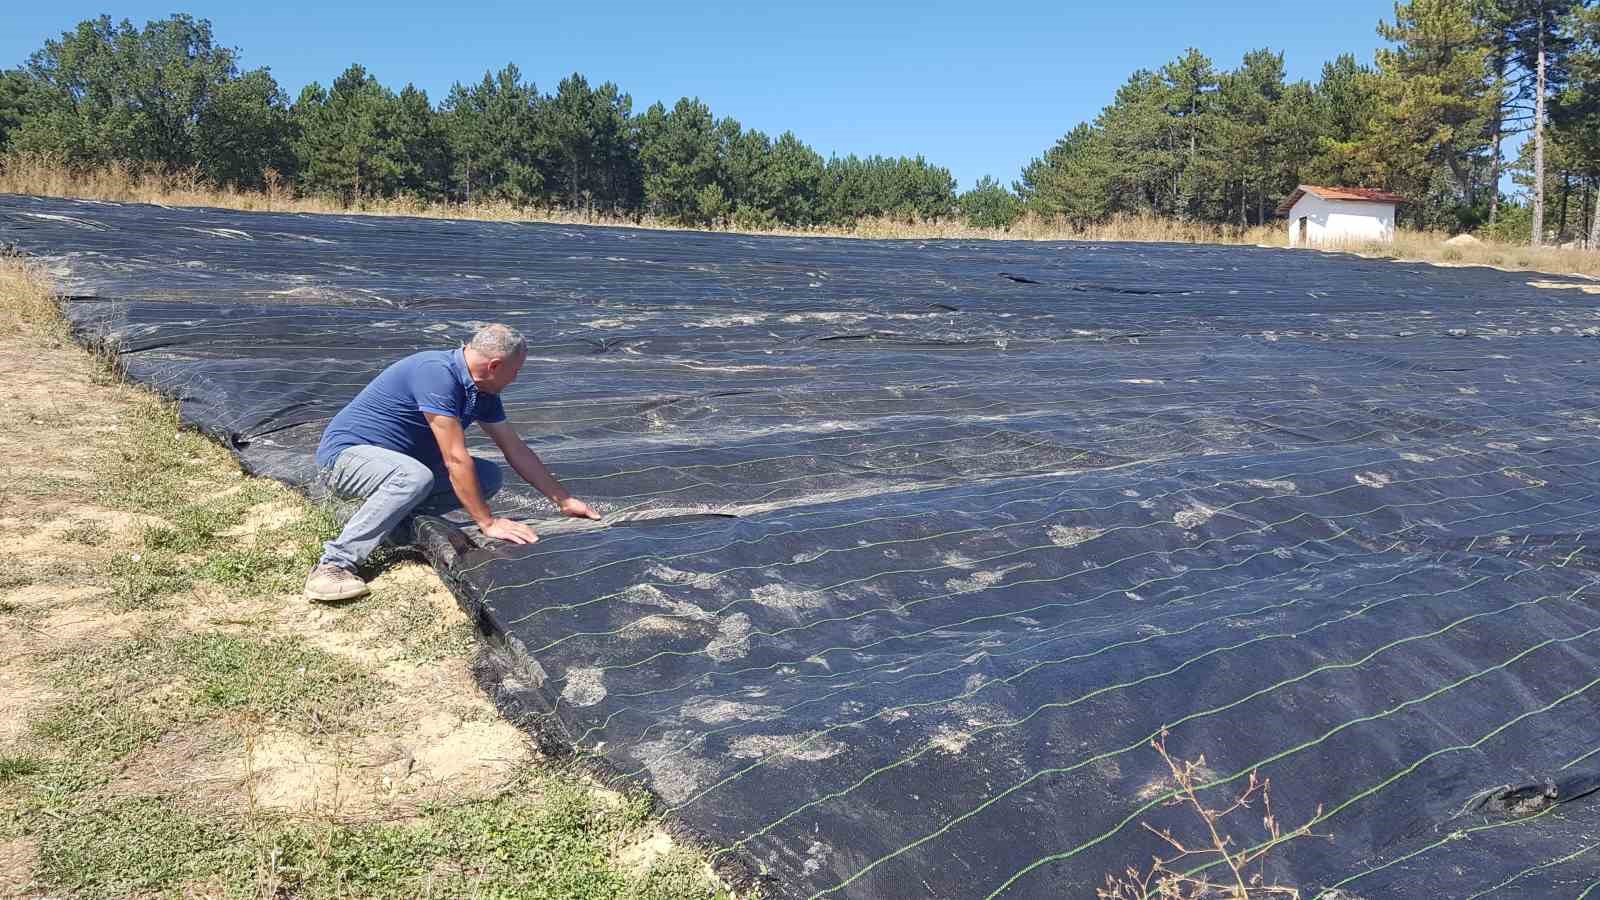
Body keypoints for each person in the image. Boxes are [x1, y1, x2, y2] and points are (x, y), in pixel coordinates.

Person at [304, 323, 600, 602]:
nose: (516, 379)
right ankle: (334, 565)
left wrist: (563, 500)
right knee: (415, 477)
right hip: (347, 459)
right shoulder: (436, 373)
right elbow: (454, 457)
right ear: (495, 366)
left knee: (487, 476)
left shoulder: (482, 392)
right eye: (516, 371)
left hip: (399, 467)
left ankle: (390, 527)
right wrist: (488, 522)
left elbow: (514, 448)